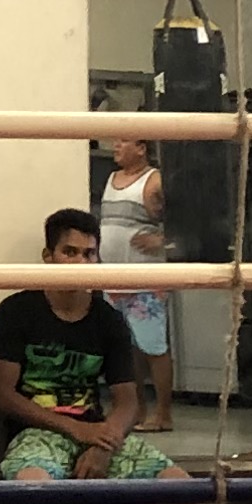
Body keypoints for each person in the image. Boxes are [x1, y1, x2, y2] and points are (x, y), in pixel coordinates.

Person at [0, 209, 203, 504]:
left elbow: (128, 401)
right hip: (38, 432)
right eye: (70, 252)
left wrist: (105, 444)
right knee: (34, 502)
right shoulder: (17, 311)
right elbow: (5, 396)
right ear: (48, 256)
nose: (81, 263)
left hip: (97, 433)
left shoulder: (108, 320)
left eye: (89, 254)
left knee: (187, 496)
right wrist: (78, 430)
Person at [95, 133, 175, 431]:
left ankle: (164, 414)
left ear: (142, 148)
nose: (115, 145)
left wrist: (163, 241)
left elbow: (185, 223)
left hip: (144, 280)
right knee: (126, 349)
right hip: (114, 281)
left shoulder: (155, 182)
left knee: (154, 347)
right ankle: (137, 410)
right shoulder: (112, 178)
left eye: (124, 141)